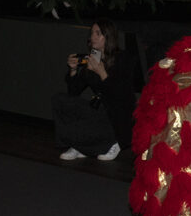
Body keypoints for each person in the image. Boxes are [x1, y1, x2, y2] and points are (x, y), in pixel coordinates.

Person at [52, 18, 136, 162]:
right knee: (60, 100)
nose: (93, 37)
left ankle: (114, 142)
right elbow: (74, 91)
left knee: (100, 117)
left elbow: (121, 96)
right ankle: (79, 145)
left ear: (108, 36)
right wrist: (73, 70)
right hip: (98, 108)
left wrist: (102, 73)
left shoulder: (122, 58)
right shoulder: (93, 57)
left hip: (116, 113)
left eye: (98, 33)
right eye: (92, 33)